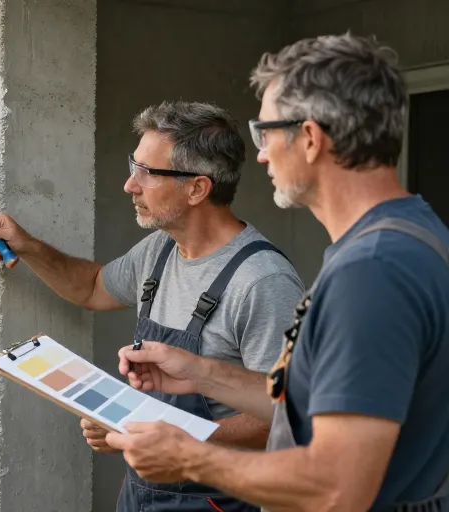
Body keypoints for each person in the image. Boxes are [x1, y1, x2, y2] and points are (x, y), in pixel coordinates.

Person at [106, 33, 449, 512]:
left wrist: (190, 457)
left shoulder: (373, 272)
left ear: (309, 138)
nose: (261, 154)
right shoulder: (409, 235)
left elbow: (335, 488)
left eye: (264, 133)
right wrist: (203, 374)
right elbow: (309, 406)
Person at [0, 100, 305, 511]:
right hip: (142, 494)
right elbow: (94, 288)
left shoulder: (261, 282)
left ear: (198, 188)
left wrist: (176, 442)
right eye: (135, 166)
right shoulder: (160, 250)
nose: (130, 185)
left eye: (146, 173)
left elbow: (287, 414)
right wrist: (29, 247)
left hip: (217, 501)